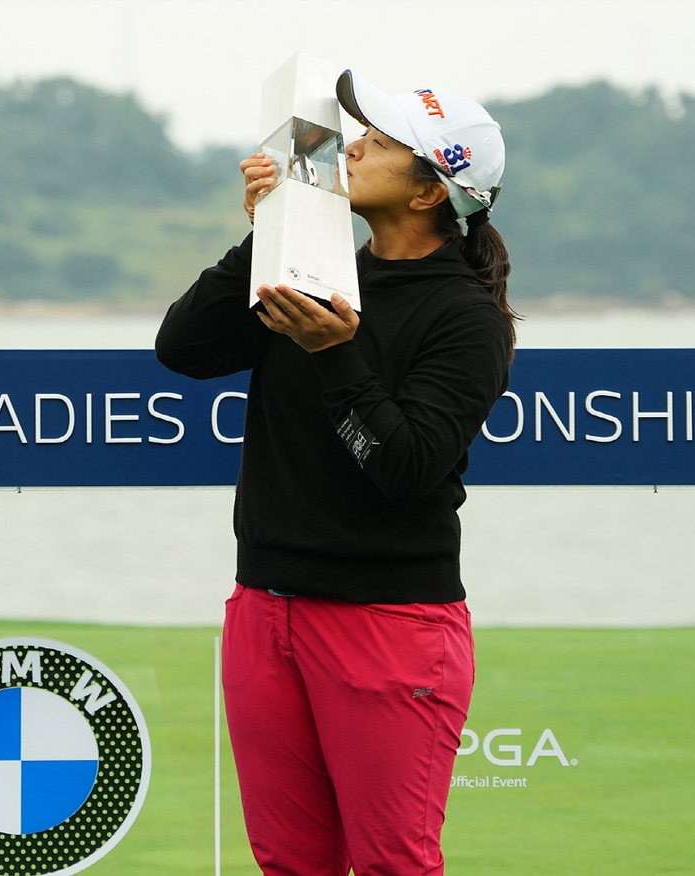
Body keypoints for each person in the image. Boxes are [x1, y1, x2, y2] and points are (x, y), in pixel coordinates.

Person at [155, 69, 517, 876]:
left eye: (380, 143)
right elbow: (183, 350)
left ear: (429, 194)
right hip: (265, 607)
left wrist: (334, 352)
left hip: (389, 623)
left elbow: (404, 468)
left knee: (394, 864)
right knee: (289, 864)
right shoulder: (313, 266)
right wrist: (268, 228)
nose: (351, 146)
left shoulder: (465, 317)